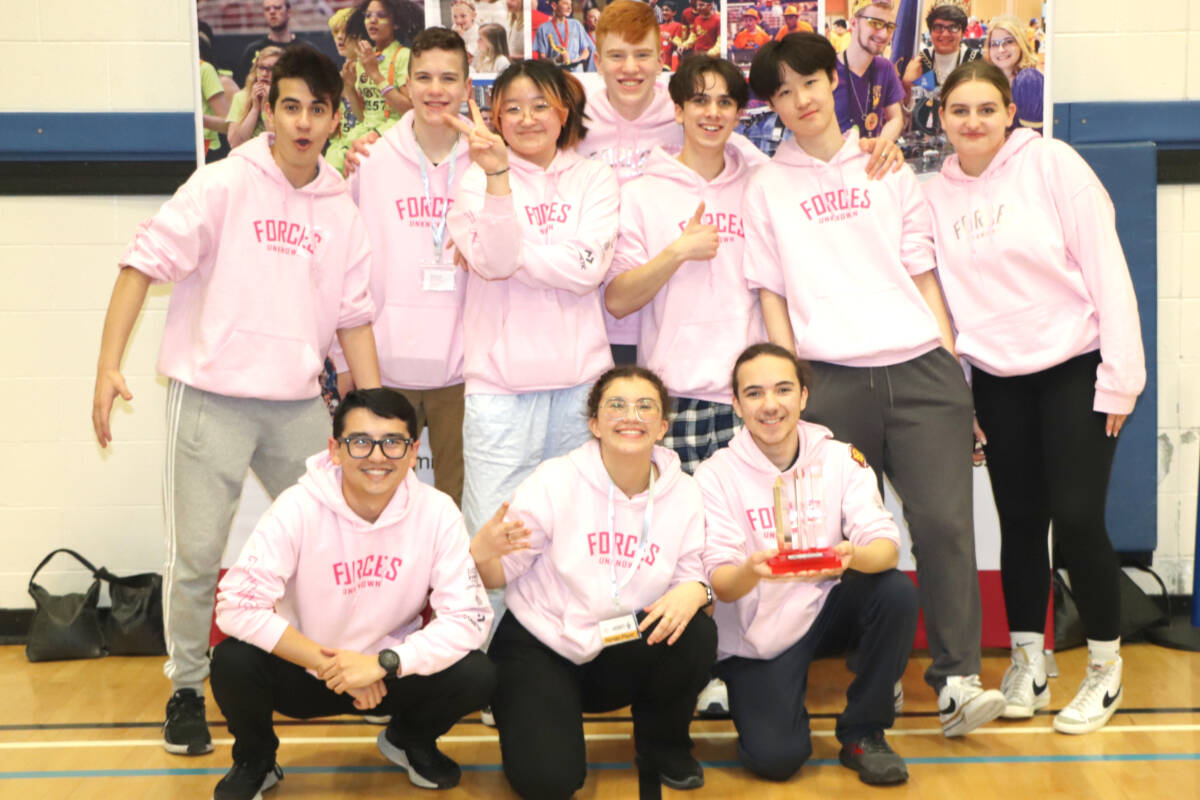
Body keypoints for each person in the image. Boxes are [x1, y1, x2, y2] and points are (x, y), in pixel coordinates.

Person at [91, 46, 382, 757]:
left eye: (319, 108)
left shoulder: (340, 205)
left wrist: (371, 410)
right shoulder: (222, 184)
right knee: (195, 557)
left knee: (336, 545)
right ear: (270, 111)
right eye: (291, 106)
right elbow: (140, 264)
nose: (305, 122)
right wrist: (107, 367)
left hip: (296, 407)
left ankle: (347, 674)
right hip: (212, 401)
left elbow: (352, 317)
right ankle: (187, 690)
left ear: (335, 116)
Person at [743, 33, 1005, 738]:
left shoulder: (886, 166)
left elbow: (922, 273)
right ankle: (876, 681)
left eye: (808, 83)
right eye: (781, 93)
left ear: (835, 82)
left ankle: (956, 680)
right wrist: (790, 388)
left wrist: (954, 371)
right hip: (828, 379)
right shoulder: (766, 185)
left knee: (946, 528)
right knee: (848, 540)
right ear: (772, 106)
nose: (799, 101)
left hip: (920, 368)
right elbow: (771, 294)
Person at [923, 61, 1145, 734]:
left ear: (1008, 112)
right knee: (1020, 523)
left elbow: (1107, 266)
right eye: (959, 110)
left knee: (1077, 520)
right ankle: (1030, 664)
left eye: (987, 108)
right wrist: (962, 398)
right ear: (942, 119)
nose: (973, 122)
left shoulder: (1052, 163)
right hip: (996, 377)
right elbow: (944, 309)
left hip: (1074, 366)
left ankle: (1104, 672)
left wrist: (1122, 375)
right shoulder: (932, 195)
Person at [209, 389, 495, 798]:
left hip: (388, 674)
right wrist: (333, 666)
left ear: (413, 452)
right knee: (231, 661)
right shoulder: (297, 507)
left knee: (477, 672)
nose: (377, 456)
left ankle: (409, 740)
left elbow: (469, 618)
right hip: (307, 671)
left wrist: (383, 663)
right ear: (336, 450)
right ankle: (255, 757)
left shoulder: (437, 512)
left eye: (392, 443)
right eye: (360, 442)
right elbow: (236, 606)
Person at [471, 366, 718, 796]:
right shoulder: (555, 479)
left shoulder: (685, 493)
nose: (631, 415)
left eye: (645, 406)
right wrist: (481, 554)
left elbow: (691, 575)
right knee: (548, 783)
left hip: (620, 642)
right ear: (594, 424)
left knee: (695, 631)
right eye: (616, 405)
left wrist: (696, 590)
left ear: (662, 427)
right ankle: (524, 710)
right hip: (541, 643)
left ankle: (663, 747)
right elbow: (499, 575)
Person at [697, 344, 918, 784]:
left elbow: (886, 547)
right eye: (755, 393)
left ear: (802, 396)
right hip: (759, 635)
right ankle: (751, 695)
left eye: (782, 390)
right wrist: (751, 571)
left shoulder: (839, 457)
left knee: (894, 592)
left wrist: (852, 557)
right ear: (737, 404)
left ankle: (864, 732)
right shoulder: (714, 475)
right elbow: (721, 584)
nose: (771, 405)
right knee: (775, 760)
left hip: (826, 607)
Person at [444, 59, 618, 546]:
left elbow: (588, 268)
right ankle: (488, 626)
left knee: (576, 536)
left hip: (580, 386)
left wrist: (517, 252)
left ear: (563, 113)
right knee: (495, 536)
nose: (527, 119)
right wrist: (499, 175)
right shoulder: (477, 180)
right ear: (495, 119)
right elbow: (497, 264)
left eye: (540, 106)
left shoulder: (594, 178)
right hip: (500, 391)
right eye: (513, 109)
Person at [337, 28, 474, 510]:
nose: (436, 89)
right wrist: (343, 359)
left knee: (457, 506)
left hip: (464, 369)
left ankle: (450, 589)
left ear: (466, 88)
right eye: (424, 77)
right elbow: (346, 264)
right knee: (382, 504)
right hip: (386, 366)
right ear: (407, 83)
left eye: (448, 78)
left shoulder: (488, 161)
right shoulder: (371, 159)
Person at [606, 56, 764, 476]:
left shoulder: (759, 186)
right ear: (678, 110)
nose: (712, 113)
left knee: (753, 534)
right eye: (699, 100)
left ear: (738, 115)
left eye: (725, 102)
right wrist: (676, 253)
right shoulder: (641, 194)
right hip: (674, 396)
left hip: (749, 395)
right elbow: (617, 301)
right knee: (677, 532)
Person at [902, 0, 981, 135]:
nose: (945, 34)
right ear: (930, 31)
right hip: (923, 139)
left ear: (962, 32)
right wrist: (906, 84)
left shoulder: (975, 60)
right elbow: (905, 113)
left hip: (964, 134)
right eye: (938, 27)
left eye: (953, 27)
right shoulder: (920, 61)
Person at [346, 0, 421, 142]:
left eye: (381, 15)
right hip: (366, 132)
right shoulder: (364, 58)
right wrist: (349, 87)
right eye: (368, 16)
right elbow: (363, 116)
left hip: (395, 133)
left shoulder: (404, 56)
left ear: (396, 24)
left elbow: (409, 111)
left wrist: (375, 74)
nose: (372, 20)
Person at [835, 1, 904, 147]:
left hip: (870, 162)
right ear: (853, 23)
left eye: (890, 27)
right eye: (875, 23)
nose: (884, 34)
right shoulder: (826, 71)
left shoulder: (885, 68)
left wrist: (880, 145)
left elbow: (896, 118)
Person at [983, 15, 1043, 132]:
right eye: (995, 44)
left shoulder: (1029, 79)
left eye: (1008, 42)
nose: (1001, 49)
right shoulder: (992, 80)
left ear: (1021, 44)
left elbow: (1031, 138)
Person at [325, 7, 366, 173]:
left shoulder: (370, 71)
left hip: (361, 149)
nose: (340, 37)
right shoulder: (336, 76)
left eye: (345, 32)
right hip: (336, 151)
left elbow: (367, 119)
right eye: (336, 33)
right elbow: (332, 134)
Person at [226, 45, 284, 149]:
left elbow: (279, 145)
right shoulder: (240, 97)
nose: (265, 73)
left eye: (271, 69)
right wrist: (255, 108)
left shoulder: (288, 99)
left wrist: (265, 108)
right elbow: (235, 144)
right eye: (261, 67)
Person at [234, 0, 297, 87]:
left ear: (289, 12)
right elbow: (241, 86)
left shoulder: (305, 50)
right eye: (267, 9)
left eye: (277, 8)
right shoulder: (253, 50)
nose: (272, 12)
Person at [533, 0, 596, 72]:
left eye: (570, 4)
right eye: (565, 4)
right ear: (554, 6)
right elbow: (541, 59)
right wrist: (557, 59)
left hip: (577, 74)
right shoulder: (543, 28)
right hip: (556, 74)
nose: (569, 7)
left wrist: (579, 60)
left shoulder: (576, 24)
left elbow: (586, 51)